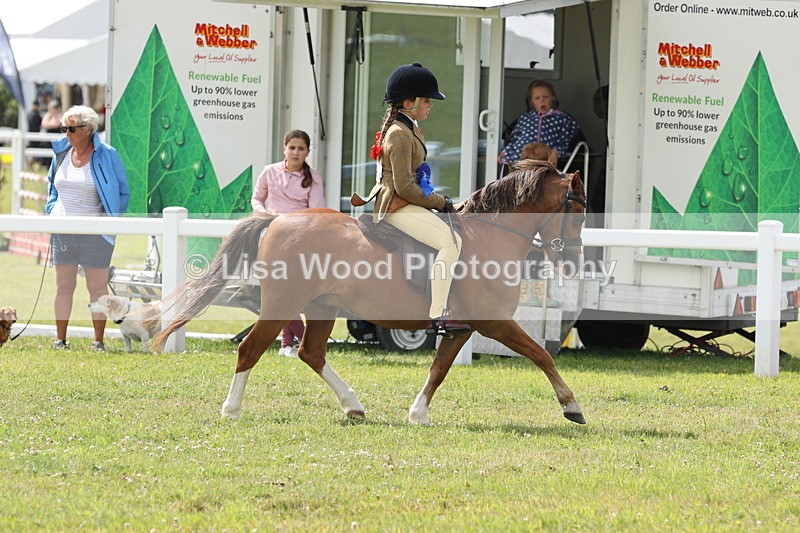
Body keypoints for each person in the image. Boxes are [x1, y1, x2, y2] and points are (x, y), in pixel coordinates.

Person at [355, 62, 469, 335]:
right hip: (397, 204)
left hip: (407, 201)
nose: (430, 105)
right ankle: (438, 315)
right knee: (451, 241)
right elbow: (405, 187)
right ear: (409, 102)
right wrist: (440, 202)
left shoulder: (410, 128)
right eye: (427, 100)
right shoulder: (399, 134)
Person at [45, 105, 130, 351]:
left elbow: (123, 191)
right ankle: (60, 339)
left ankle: (98, 341)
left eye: (72, 128)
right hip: (63, 231)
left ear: (89, 129)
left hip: (95, 233)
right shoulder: (60, 153)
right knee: (63, 286)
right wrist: (51, 211)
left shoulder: (107, 155)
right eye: (65, 128)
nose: (67, 133)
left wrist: (110, 220)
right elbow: (51, 186)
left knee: (96, 288)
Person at [251, 129, 324, 357]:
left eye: (301, 148)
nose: (296, 152)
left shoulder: (313, 178)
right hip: (271, 233)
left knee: (288, 290)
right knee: (279, 288)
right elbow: (256, 198)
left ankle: (289, 343)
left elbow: (316, 212)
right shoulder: (269, 172)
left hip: (299, 238)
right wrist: (265, 214)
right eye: (292, 147)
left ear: (307, 152)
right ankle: (297, 341)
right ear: (284, 148)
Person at [498, 79, 580, 167]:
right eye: (537, 98)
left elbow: (563, 141)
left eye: (546, 97)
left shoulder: (562, 119)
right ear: (532, 101)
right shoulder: (525, 118)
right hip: (521, 161)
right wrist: (506, 151)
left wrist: (556, 153)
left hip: (546, 161)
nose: (542, 101)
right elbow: (516, 139)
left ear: (553, 98)